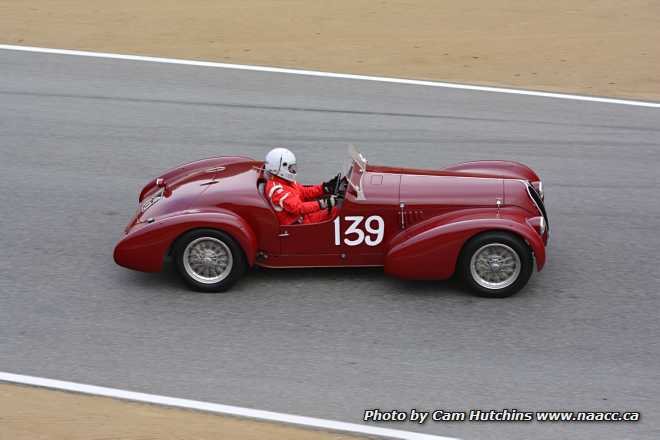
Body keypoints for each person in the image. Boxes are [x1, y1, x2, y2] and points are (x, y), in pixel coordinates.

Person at [264, 148, 339, 225]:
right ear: (280, 168)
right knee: (337, 212)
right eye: (290, 168)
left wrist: (324, 188)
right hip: (299, 225)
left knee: (337, 209)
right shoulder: (277, 190)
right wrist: (323, 203)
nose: (293, 170)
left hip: (304, 217)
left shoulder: (286, 182)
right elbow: (298, 208)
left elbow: (303, 192)